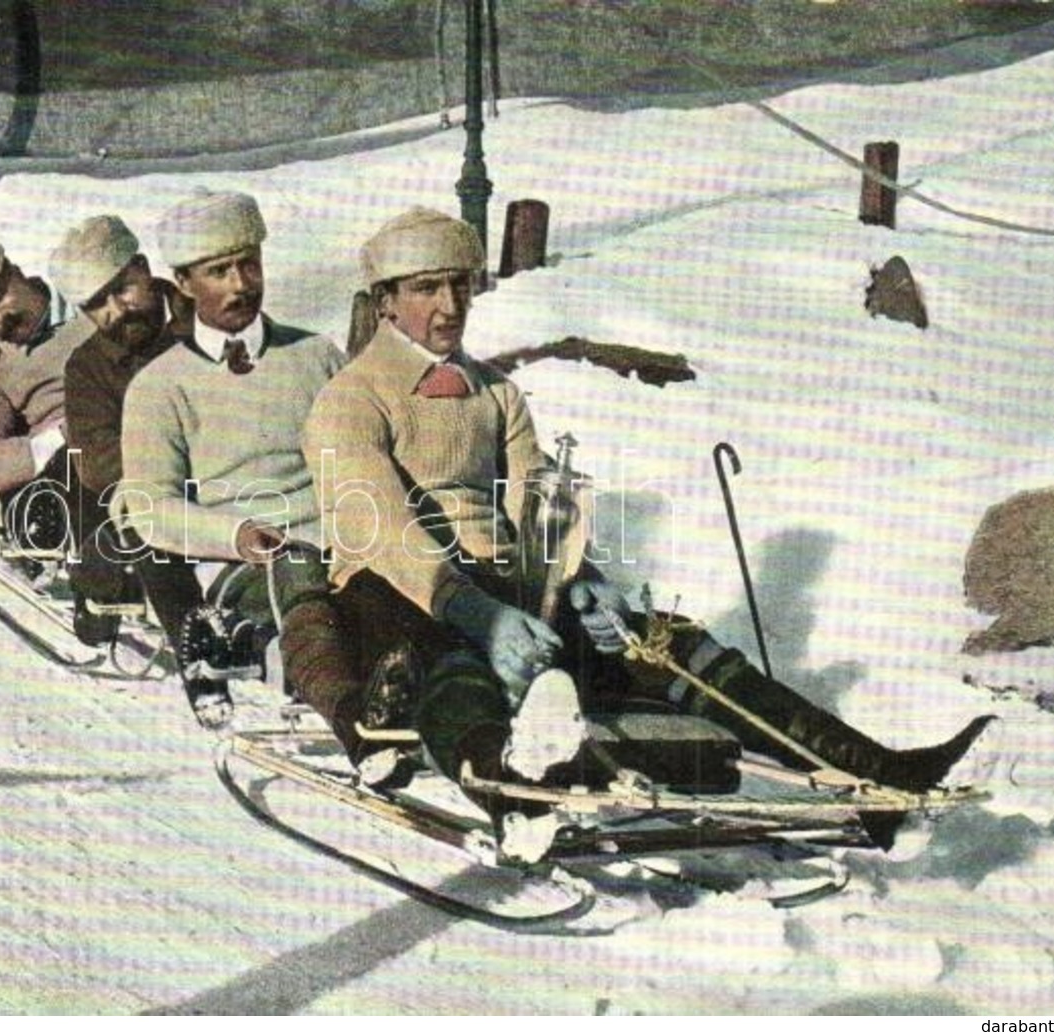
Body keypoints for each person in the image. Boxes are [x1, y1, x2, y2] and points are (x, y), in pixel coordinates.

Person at [304, 206, 993, 855]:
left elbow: (537, 504)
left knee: (667, 644)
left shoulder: (494, 393)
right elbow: (381, 530)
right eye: (426, 289)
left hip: (499, 582)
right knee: (445, 658)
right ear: (385, 300)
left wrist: (580, 582)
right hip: (395, 589)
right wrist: (474, 610)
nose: (448, 306)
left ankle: (871, 774)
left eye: (460, 286)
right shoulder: (350, 399)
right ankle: (513, 794)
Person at [111, 188, 376, 757]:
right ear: (183, 283)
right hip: (245, 563)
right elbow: (151, 508)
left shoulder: (316, 355)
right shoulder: (159, 387)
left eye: (249, 264)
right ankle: (355, 719)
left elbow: (359, 454)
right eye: (218, 271)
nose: (240, 284)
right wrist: (234, 535)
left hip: (340, 544)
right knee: (298, 576)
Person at [0, 228, 124, 643]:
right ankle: (96, 573)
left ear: (14, 271)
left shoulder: (90, 299)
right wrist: (59, 439)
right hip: (76, 460)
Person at [49, 213, 208, 688]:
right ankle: (198, 658)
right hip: (156, 495)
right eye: (97, 305)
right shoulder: (88, 368)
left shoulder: (209, 320)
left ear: (143, 268)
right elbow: (99, 462)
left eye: (123, 288)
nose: (116, 310)